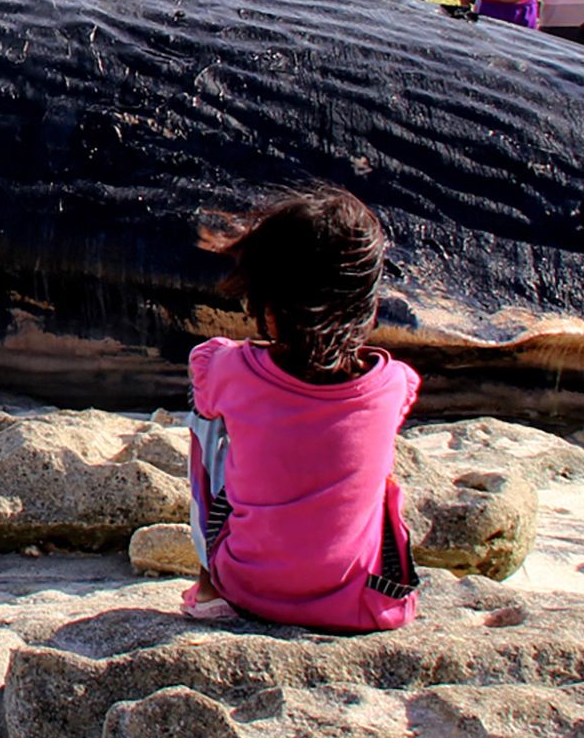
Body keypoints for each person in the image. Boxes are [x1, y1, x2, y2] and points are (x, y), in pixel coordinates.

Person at [179, 189, 420, 633]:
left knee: (208, 426)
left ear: (268, 305)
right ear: (367, 306)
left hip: (248, 588)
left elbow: (206, 372)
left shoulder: (229, 368)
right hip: (359, 603)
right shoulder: (395, 382)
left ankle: (208, 586)